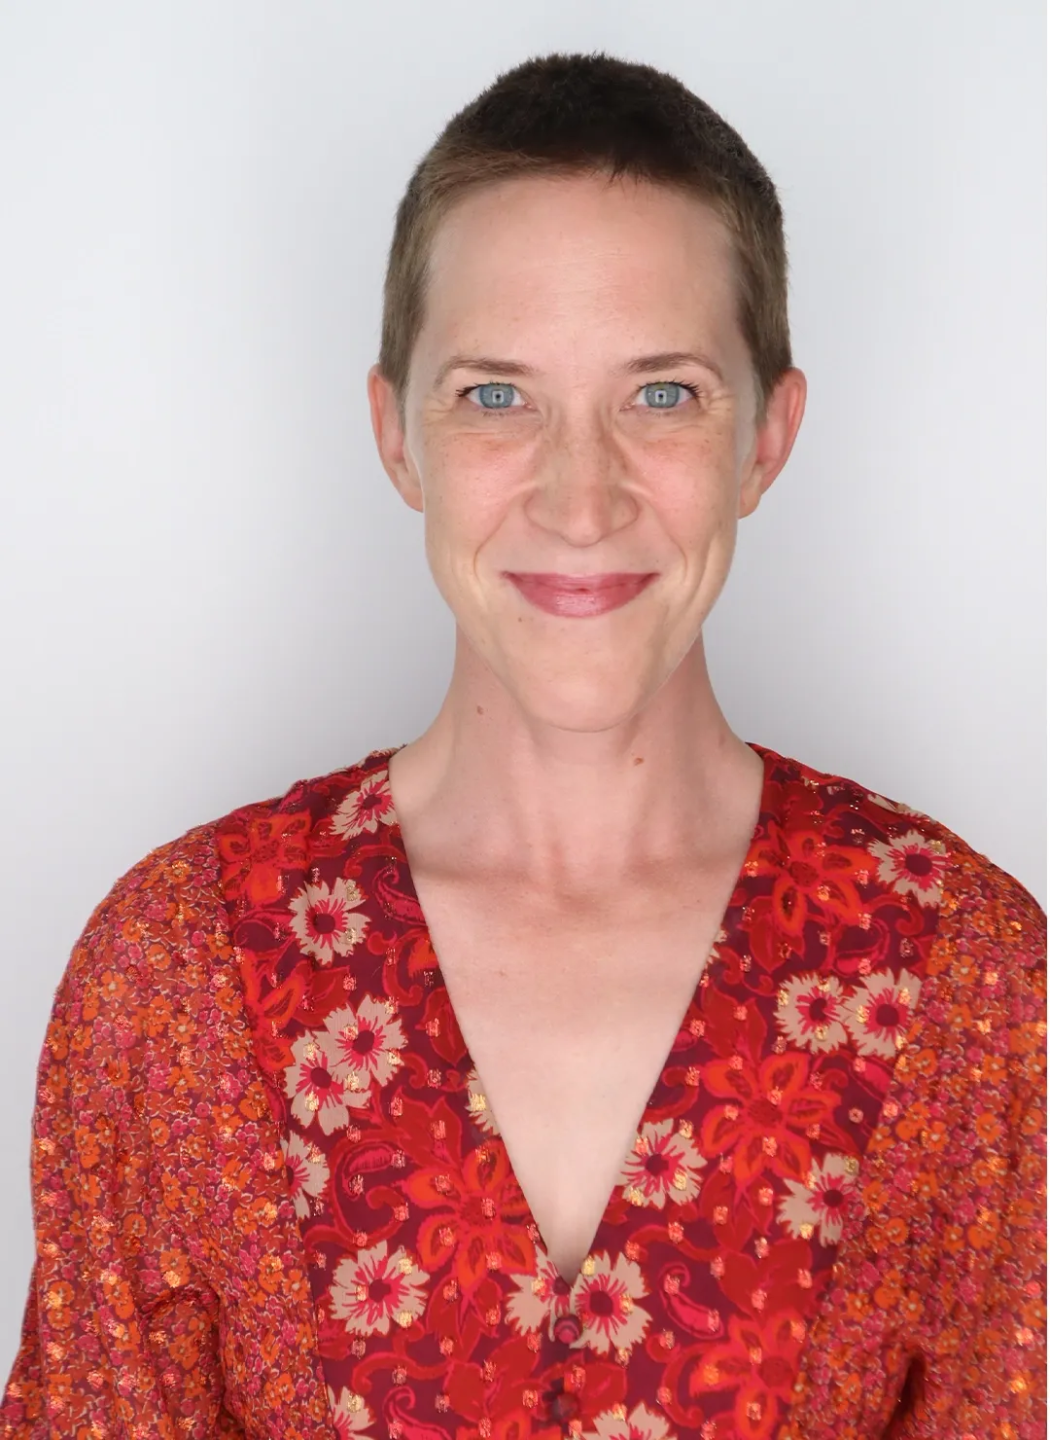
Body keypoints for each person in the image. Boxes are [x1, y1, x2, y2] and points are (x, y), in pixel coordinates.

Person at [2, 49, 1045, 1440]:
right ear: (397, 437)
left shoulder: (968, 980)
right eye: (497, 396)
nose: (579, 495)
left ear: (766, 438)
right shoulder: (176, 973)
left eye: (662, 394)